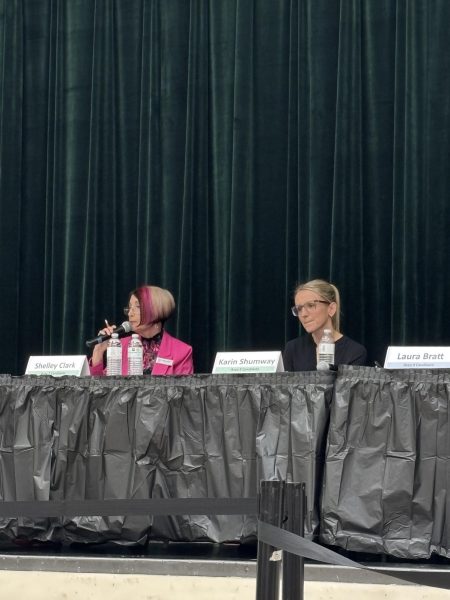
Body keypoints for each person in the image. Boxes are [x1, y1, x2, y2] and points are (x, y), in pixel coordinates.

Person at [90, 285, 193, 375]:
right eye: (129, 308)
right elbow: (101, 393)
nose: (130, 313)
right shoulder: (121, 346)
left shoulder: (182, 352)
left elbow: (184, 394)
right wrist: (98, 352)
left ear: (156, 311)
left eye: (138, 307)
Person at [283, 279, 367, 371]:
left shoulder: (354, 352)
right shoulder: (293, 349)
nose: (303, 314)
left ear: (331, 309)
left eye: (311, 305)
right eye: (299, 309)